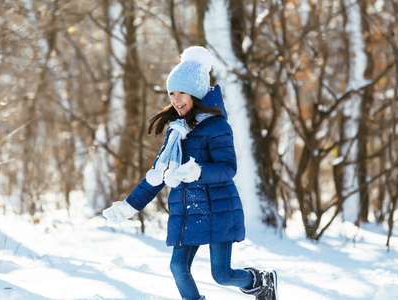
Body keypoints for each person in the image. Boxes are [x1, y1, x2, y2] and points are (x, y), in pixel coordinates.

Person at [102, 46, 278, 300]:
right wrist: (129, 206)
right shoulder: (176, 131)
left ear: (195, 93)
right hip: (187, 212)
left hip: (219, 210)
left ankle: (260, 280)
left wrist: (198, 171)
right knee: (177, 267)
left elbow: (228, 168)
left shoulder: (217, 126)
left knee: (222, 274)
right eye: (172, 93)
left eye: (181, 92)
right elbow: (158, 174)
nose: (175, 98)